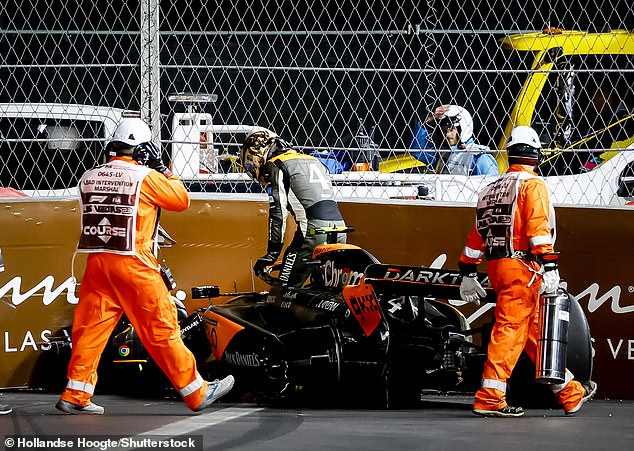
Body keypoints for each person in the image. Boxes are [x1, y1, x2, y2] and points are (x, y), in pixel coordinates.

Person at [56, 118, 234, 415]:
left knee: (89, 331)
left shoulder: (88, 176)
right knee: (161, 329)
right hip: (135, 263)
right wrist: (163, 167)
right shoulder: (146, 177)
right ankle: (196, 392)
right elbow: (180, 200)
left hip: (98, 263)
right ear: (143, 148)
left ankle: (75, 393)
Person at [457, 125, 597, 418]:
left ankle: (569, 393)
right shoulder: (533, 185)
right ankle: (490, 398)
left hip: (498, 266)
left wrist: (468, 271)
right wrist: (550, 266)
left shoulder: (490, 189)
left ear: (510, 154)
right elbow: (537, 228)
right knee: (510, 329)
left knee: (534, 333)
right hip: (524, 268)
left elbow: (477, 234)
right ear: (535, 153)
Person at [241, 128, 346, 287]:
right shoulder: (313, 160)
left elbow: (278, 215)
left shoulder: (276, 165)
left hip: (312, 232)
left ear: (258, 153)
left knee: (284, 293)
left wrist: (272, 254)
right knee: (323, 290)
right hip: (339, 230)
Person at [412, 104, 499, 175]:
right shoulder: (444, 154)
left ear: (463, 127)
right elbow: (418, 151)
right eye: (444, 130)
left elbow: (490, 190)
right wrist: (427, 121)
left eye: (451, 129)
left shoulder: (480, 157)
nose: (447, 134)